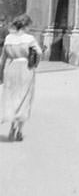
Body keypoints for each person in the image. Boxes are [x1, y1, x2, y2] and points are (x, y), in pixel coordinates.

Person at [0, 13, 42, 141]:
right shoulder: (29, 39)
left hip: (11, 68)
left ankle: (12, 124)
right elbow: (39, 52)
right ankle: (19, 130)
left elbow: (3, 58)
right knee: (24, 97)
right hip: (25, 68)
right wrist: (35, 63)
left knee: (12, 96)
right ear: (26, 25)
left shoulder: (9, 39)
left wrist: (1, 72)